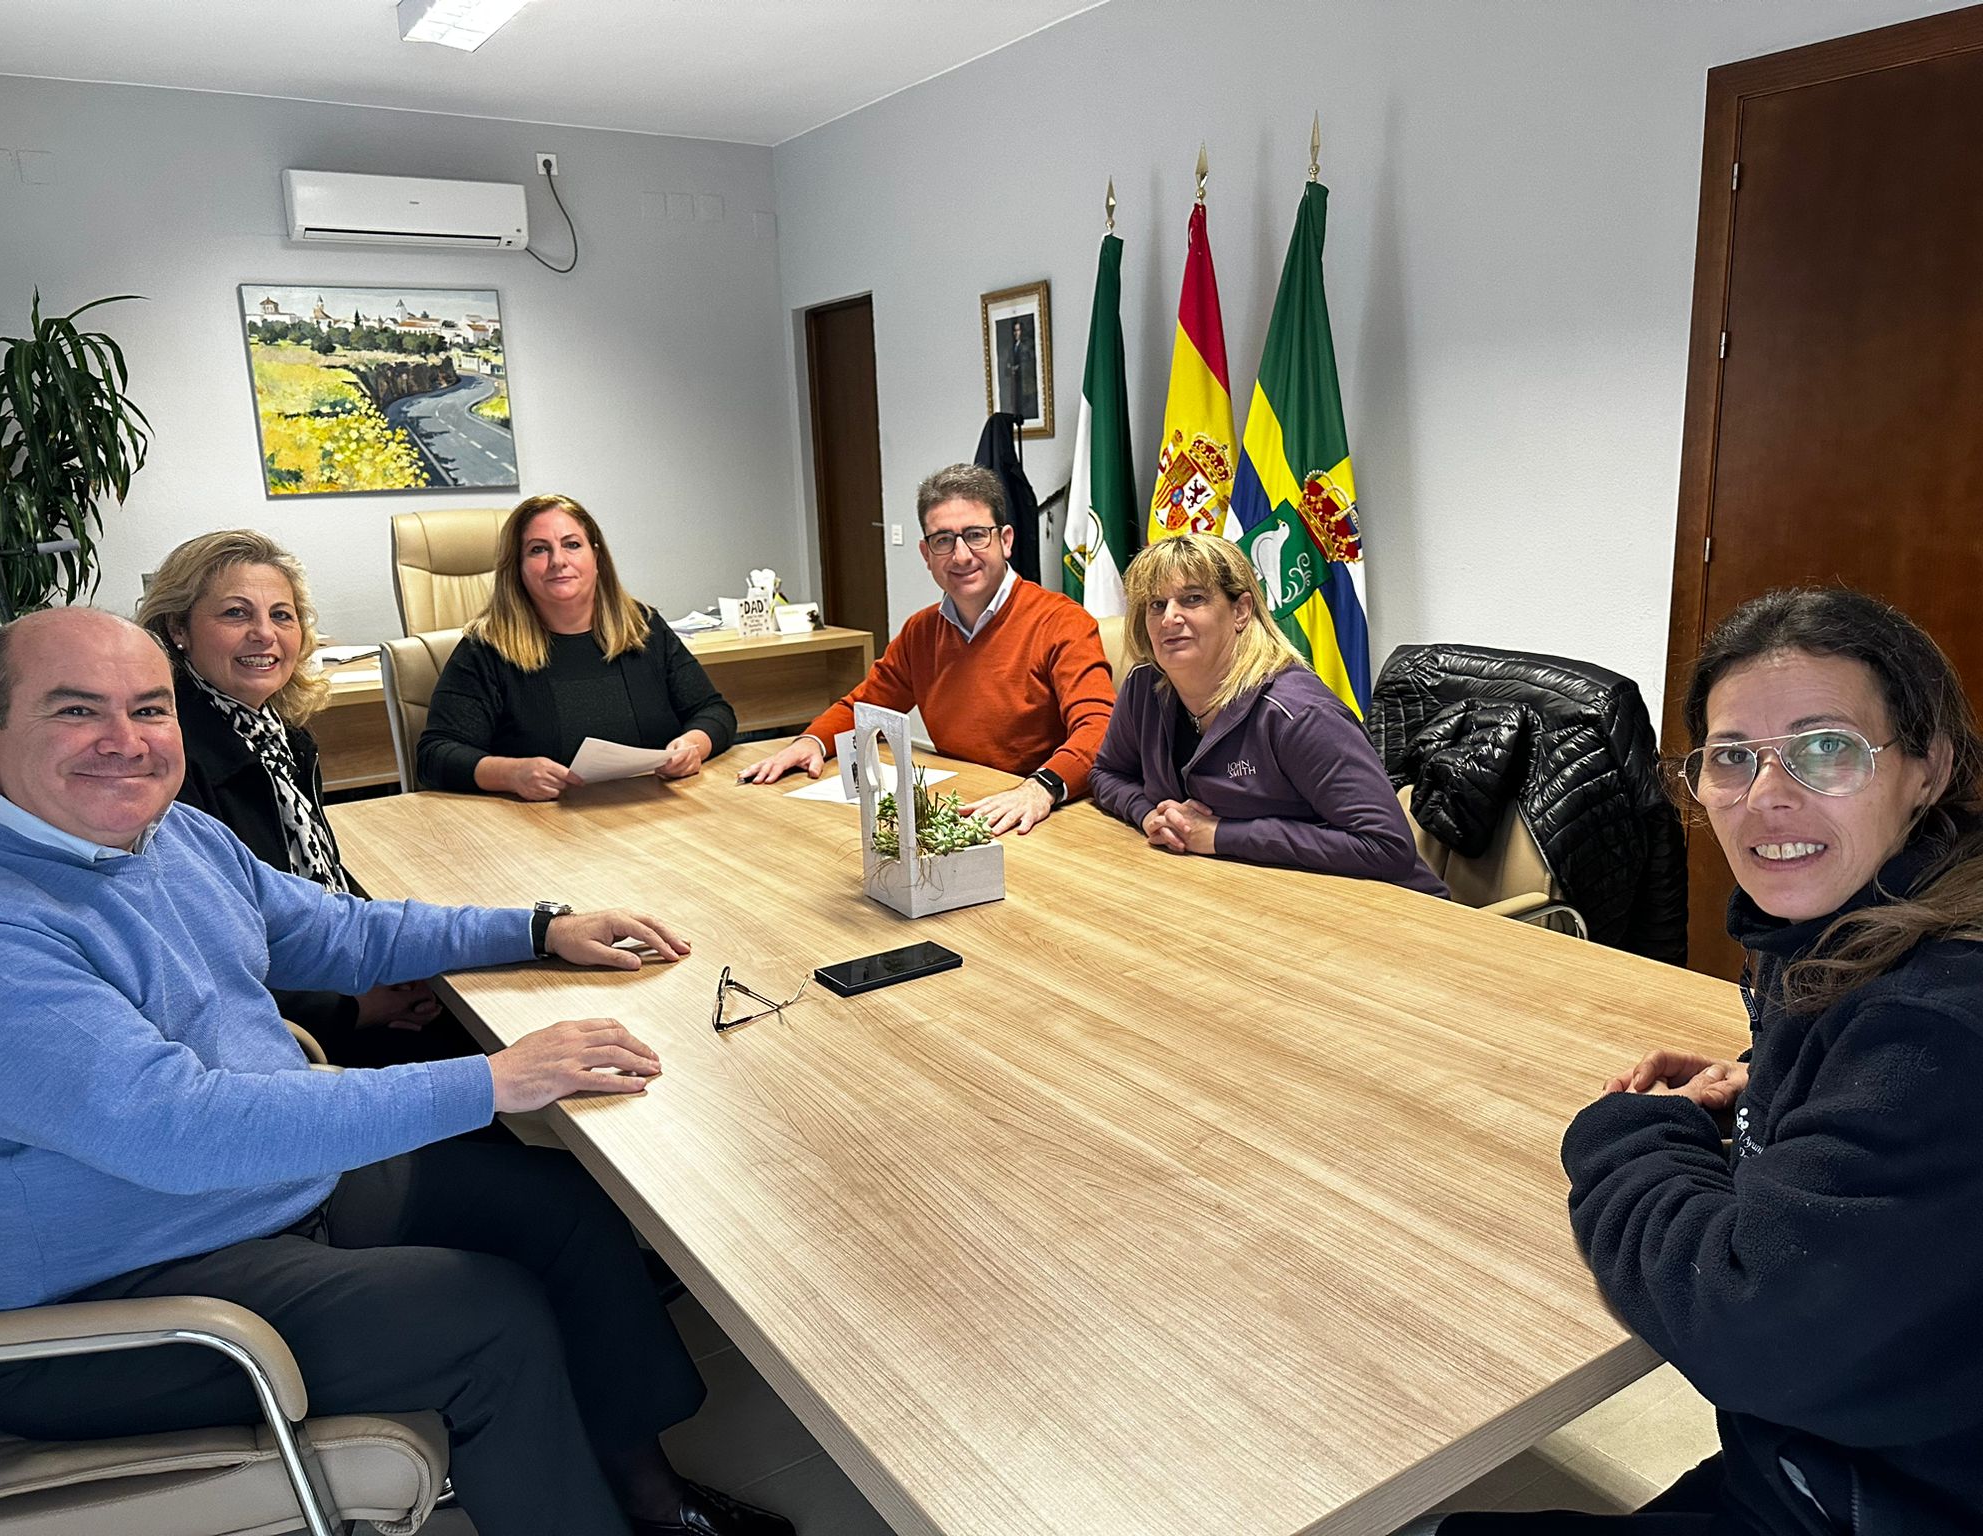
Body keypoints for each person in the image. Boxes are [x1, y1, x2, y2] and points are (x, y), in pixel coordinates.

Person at [0, 607, 792, 1536]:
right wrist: (493, 1080)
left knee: (564, 1208)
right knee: (484, 1317)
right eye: (76, 710)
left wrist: (540, 927)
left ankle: (647, 1495)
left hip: (258, 1197)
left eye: (148, 708)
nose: (125, 741)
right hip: (109, 1300)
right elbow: (179, 1130)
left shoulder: (167, 835)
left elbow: (338, 931)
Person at [1412, 587, 1983, 1536]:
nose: (1767, 795)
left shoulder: (1937, 1030)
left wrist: (1629, 1132)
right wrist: (1782, 1085)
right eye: (1732, 757)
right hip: (1826, 1464)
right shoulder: (1872, 923)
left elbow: (1749, 1319)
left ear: (1930, 768)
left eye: (1827, 747)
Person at [136, 529, 455, 1065]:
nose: (265, 634)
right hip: (278, 1034)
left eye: (281, 616)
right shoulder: (169, 763)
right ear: (177, 629)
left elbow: (320, 886)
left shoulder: (281, 738)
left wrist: (391, 959)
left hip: (330, 976)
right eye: (236, 614)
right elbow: (200, 958)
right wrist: (354, 1006)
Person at [740, 463, 1116, 835]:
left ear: (1005, 541)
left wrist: (1040, 788)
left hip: (1042, 814)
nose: (961, 555)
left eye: (976, 535)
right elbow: (865, 708)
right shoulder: (921, 631)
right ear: (926, 554)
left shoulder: (1062, 621)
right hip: (962, 807)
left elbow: (1099, 728)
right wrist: (811, 741)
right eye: (943, 540)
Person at [1089, 533, 1445, 895]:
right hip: (1245, 893)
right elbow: (1107, 773)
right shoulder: (1145, 688)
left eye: (1193, 599)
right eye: (1156, 604)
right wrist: (1149, 815)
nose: (1169, 618)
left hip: (1389, 907)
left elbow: (1386, 846)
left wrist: (1221, 834)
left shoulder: (1298, 712)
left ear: (1241, 611)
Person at [418, 493, 735, 800]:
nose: (558, 561)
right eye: (538, 550)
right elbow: (434, 755)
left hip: (652, 816)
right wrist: (510, 774)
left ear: (596, 557)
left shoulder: (643, 628)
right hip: (541, 825)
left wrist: (693, 746)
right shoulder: (486, 649)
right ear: (517, 566)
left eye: (572, 545)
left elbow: (713, 711)